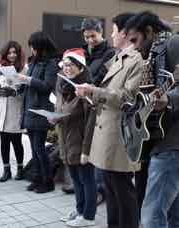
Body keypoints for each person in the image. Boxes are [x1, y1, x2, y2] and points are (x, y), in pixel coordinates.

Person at [75, 13, 143, 228]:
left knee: (122, 190)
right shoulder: (118, 57)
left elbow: (127, 98)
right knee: (111, 188)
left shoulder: (137, 60)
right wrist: (90, 92)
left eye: (113, 31)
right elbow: (107, 91)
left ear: (125, 33)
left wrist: (93, 91)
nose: (111, 35)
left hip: (120, 133)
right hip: (107, 131)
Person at [125, 11, 179, 228]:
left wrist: (170, 99)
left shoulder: (174, 43)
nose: (135, 46)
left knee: (151, 215)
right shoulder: (151, 55)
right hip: (159, 140)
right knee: (172, 216)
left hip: (172, 144)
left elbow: (168, 95)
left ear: (149, 31)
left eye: (135, 40)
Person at [51, 48, 97, 227]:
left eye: (71, 65)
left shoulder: (86, 88)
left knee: (87, 180)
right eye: (65, 65)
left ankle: (89, 216)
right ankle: (79, 211)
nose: (67, 69)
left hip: (81, 142)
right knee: (76, 181)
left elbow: (91, 122)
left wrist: (87, 150)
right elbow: (59, 109)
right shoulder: (63, 85)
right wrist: (53, 117)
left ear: (81, 67)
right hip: (66, 140)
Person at [81, 17, 116, 204]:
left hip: (100, 105)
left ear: (100, 32)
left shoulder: (110, 53)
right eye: (86, 37)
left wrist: (89, 85)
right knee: (87, 147)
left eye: (93, 36)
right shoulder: (85, 51)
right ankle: (91, 187)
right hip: (84, 103)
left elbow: (103, 79)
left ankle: (100, 190)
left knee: (98, 148)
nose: (89, 40)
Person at [18, 31, 58, 193]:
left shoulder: (50, 64)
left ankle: (48, 182)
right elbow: (30, 85)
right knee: (35, 150)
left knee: (39, 148)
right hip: (29, 108)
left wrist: (28, 80)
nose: (32, 50)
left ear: (41, 47)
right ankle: (37, 178)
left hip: (41, 111)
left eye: (33, 47)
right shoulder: (33, 63)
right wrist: (18, 83)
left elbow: (48, 86)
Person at [0, 41, 26, 182]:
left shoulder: (24, 68)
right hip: (1, 108)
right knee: (4, 141)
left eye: (14, 52)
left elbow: (26, 89)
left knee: (16, 141)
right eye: (9, 52)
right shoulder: (0, 67)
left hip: (15, 109)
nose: (12, 55)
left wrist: (15, 92)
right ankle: (6, 170)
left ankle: (20, 168)